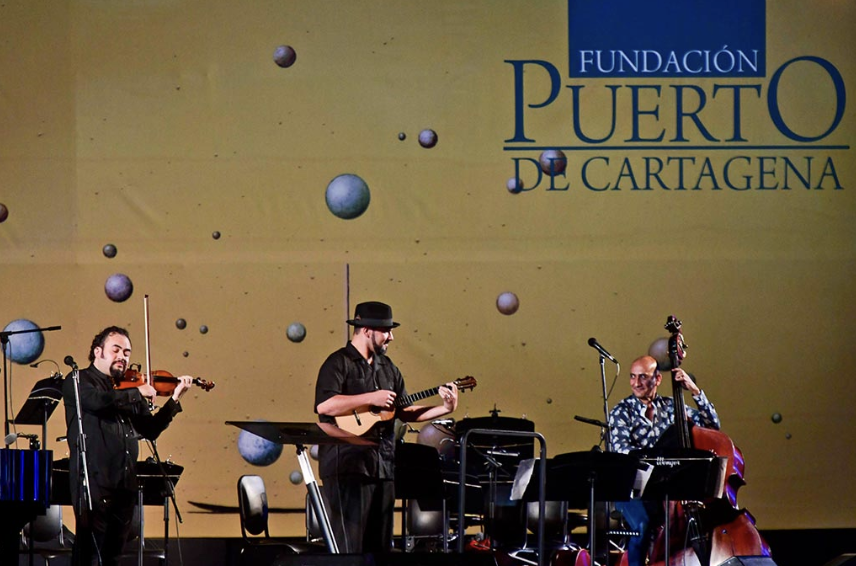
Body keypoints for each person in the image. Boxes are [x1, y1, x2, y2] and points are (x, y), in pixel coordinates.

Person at [314, 301, 459, 553]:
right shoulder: (339, 362)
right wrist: (370, 398)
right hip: (348, 467)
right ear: (367, 330)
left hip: (383, 466)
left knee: (380, 549)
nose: (391, 337)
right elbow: (325, 406)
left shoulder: (388, 368)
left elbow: (403, 410)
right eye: (386, 331)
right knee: (350, 548)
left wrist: (444, 408)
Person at [62, 326, 193, 566]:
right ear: (98, 351)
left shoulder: (128, 387)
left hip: (124, 485)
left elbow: (150, 429)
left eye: (127, 352)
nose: (123, 356)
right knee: (89, 557)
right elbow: (96, 402)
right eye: (116, 350)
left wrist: (174, 400)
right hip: (93, 483)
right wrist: (136, 392)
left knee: (113, 557)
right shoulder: (78, 379)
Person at [607, 355, 720, 566]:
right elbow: (623, 452)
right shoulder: (621, 412)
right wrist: (660, 460)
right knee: (642, 525)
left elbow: (712, 426)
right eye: (632, 377)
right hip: (632, 487)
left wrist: (694, 390)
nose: (636, 383)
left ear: (657, 379)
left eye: (643, 377)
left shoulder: (671, 407)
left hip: (667, 488)